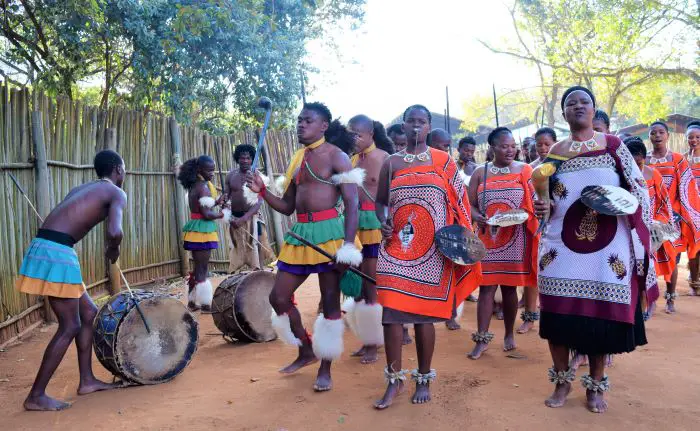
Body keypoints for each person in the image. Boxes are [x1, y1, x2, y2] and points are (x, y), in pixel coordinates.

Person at [534, 86, 654, 414]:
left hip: (607, 246)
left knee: (599, 315)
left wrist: (626, 206)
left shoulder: (613, 146)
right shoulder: (555, 153)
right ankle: (561, 381)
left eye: (583, 102)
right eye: (570, 103)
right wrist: (541, 207)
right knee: (556, 313)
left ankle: (595, 385)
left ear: (593, 109)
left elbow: (638, 188)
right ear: (563, 113)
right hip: (560, 245)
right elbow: (544, 196)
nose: (577, 106)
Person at [246, 102, 361, 392]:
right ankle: (306, 349)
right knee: (279, 298)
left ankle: (326, 367)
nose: (300, 125)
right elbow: (286, 207)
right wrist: (262, 190)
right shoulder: (297, 159)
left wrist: (348, 246)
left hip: (331, 234)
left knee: (330, 302)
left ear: (323, 126)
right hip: (301, 234)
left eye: (307, 121)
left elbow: (352, 203)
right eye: (298, 120)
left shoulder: (337, 157)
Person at [372, 105, 481, 409]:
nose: (416, 126)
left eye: (422, 122)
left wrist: (460, 242)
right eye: (411, 122)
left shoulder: (444, 161)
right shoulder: (391, 163)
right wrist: (384, 220)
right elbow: (381, 203)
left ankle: (423, 377)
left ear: (429, 126)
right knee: (391, 313)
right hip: (398, 246)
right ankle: (394, 380)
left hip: (433, 249)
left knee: (423, 316)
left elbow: (460, 202)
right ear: (403, 126)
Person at [15, 150, 127, 411]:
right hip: (57, 252)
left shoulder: (82, 188)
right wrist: (114, 249)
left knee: (88, 314)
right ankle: (36, 395)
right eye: (124, 169)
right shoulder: (116, 193)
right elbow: (115, 231)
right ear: (118, 170)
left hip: (50, 247)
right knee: (70, 325)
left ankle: (87, 381)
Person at [467, 127, 539, 358]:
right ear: (492, 148)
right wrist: (476, 215)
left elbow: (534, 200)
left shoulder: (524, 169)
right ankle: (482, 338)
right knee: (486, 288)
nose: (510, 150)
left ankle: (509, 334)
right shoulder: (481, 172)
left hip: (516, 238)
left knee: (509, 288)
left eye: (512, 146)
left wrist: (522, 214)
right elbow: (468, 203)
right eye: (504, 146)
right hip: (488, 238)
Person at [342, 114, 394, 364]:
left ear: (370, 134)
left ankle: (375, 343)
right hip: (353, 226)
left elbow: (393, 196)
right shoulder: (350, 160)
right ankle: (366, 339)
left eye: (358, 134)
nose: (353, 139)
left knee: (371, 284)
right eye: (350, 134)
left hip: (376, 226)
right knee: (359, 287)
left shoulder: (385, 158)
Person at [647, 121, 700, 309]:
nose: (658, 136)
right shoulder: (644, 161)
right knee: (647, 259)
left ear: (668, 135)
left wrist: (680, 213)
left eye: (661, 132)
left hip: (671, 218)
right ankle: (650, 300)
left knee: (672, 257)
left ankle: (670, 298)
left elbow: (686, 188)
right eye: (653, 133)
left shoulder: (677, 159)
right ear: (649, 137)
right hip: (648, 218)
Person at [624, 137, 669, 320]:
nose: (637, 168)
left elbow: (663, 204)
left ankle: (646, 305)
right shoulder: (620, 175)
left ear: (644, 158)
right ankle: (632, 307)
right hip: (626, 228)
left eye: (640, 163)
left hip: (649, 229)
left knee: (645, 268)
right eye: (632, 164)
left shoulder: (653, 175)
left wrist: (657, 226)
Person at [177, 155, 227, 312]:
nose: (212, 173)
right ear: (199, 170)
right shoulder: (203, 187)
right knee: (202, 268)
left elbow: (203, 205)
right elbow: (206, 214)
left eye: (213, 170)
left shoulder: (195, 185)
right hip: (202, 231)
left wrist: (217, 202)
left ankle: (192, 302)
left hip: (196, 230)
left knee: (199, 267)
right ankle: (205, 304)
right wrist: (222, 214)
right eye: (209, 170)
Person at [225, 144, 273, 272]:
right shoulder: (231, 176)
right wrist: (224, 205)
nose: (245, 161)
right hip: (234, 219)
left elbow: (259, 202)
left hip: (253, 218)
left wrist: (245, 218)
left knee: (255, 246)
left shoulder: (258, 177)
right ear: (237, 159)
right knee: (236, 246)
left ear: (252, 159)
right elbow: (226, 196)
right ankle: (237, 276)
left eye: (248, 158)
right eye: (242, 158)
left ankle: (259, 275)